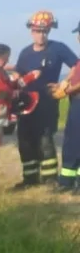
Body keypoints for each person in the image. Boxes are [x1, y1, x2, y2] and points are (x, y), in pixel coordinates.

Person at [12, 10, 79, 189]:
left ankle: (50, 178)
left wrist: (65, 82)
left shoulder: (58, 48)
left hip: (47, 103)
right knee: (25, 140)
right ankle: (30, 179)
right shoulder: (25, 52)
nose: (41, 35)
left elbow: (76, 65)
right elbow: (19, 72)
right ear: (31, 31)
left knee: (45, 140)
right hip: (26, 104)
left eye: (45, 31)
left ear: (49, 31)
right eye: (38, 31)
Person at [0, 44, 40, 200]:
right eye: (7, 57)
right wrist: (16, 94)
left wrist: (29, 78)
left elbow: (10, 85)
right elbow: (3, 90)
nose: (8, 60)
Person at [54, 20, 80, 193]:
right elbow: (74, 72)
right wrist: (62, 84)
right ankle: (67, 180)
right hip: (75, 102)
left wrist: (69, 89)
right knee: (71, 141)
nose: (78, 37)